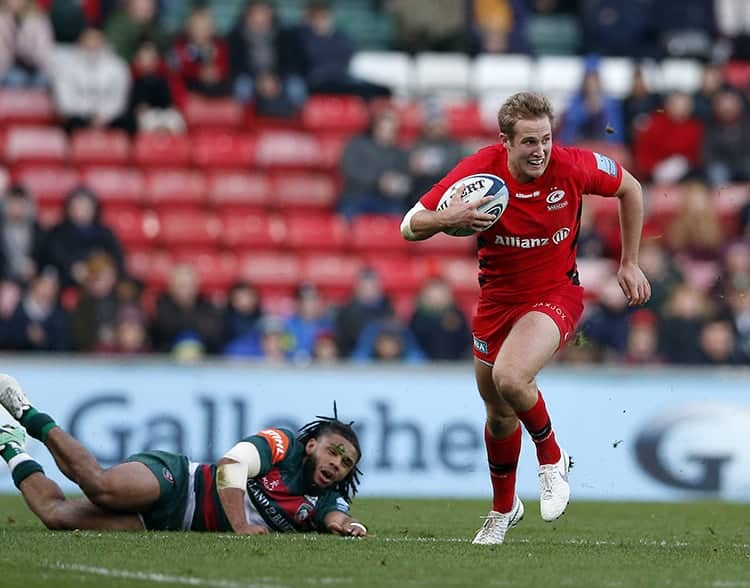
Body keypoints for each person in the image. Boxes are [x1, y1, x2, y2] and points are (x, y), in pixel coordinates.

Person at [399, 91, 651, 545]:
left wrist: (629, 261)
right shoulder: (479, 170)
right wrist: (445, 218)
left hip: (556, 293)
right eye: (529, 142)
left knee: (511, 379)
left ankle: (553, 459)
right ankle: (502, 510)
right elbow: (409, 224)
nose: (540, 151)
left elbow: (631, 188)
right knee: (497, 412)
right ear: (505, 142)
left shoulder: (571, 166)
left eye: (546, 139)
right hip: (497, 302)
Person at [0, 374, 368, 537]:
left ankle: (9, 444)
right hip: (179, 485)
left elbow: (338, 518)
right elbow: (231, 466)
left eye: (347, 462)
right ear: (311, 445)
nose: (337, 463)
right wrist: (240, 526)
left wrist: (350, 527)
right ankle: (27, 413)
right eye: (334, 451)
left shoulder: (324, 500)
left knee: (57, 517)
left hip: (170, 523)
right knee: (101, 486)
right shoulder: (282, 444)